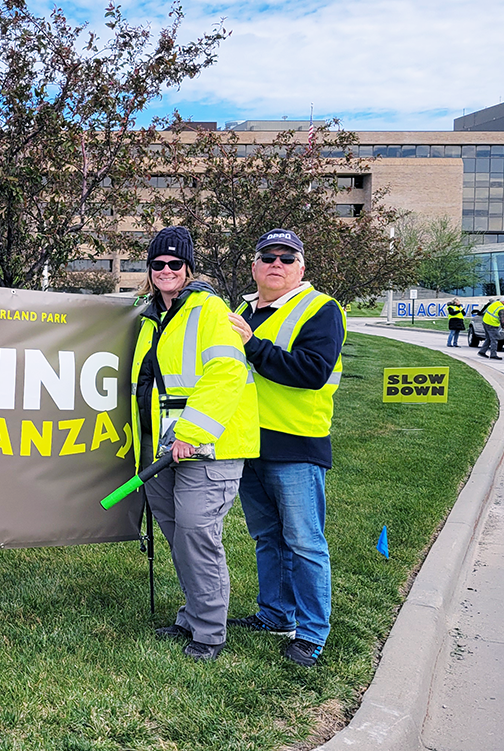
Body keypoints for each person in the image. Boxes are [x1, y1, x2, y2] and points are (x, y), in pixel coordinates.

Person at [131, 226, 259, 662]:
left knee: (196, 535)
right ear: (149, 270)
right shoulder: (151, 316)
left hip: (207, 448)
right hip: (162, 451)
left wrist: (189, 433)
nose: (166, 270)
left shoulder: (210, 311)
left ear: (188, 269)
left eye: (175, 264)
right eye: (158, 264)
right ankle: (191, 615)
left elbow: (225, 375)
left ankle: (208, 634)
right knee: (177, 536)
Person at [225, 229, 344, 668]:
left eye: (287, 257)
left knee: (304, 542)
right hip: (247, 441)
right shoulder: (241, 310)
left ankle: (312, 634)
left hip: (295, 443)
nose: (277, 263)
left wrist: (252, 346)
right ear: (254, 266)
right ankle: (275, 616)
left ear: (301, 268)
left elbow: (312, 371)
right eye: (267, 256)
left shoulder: (320, 308)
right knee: (267, 538)